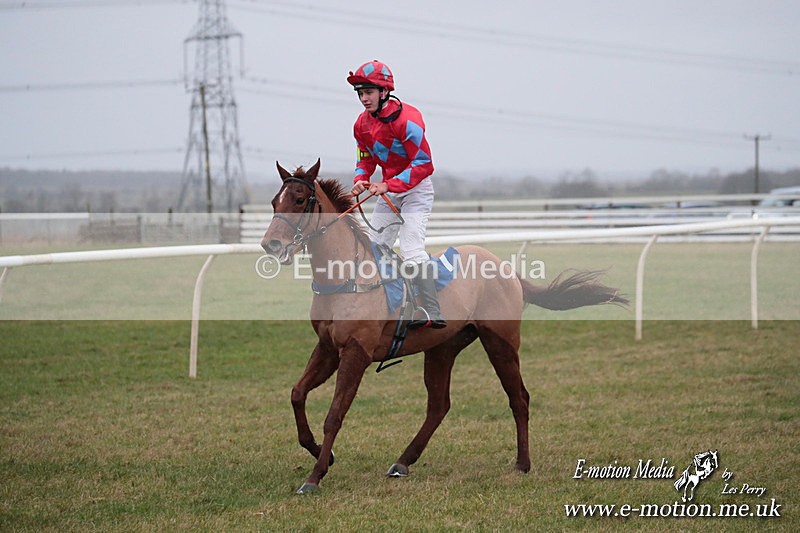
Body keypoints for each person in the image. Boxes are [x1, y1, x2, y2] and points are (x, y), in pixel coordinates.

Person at [347, 60, 446, 329]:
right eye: (360, 93)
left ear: (383, 91)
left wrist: (388, 185)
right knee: (374, 246)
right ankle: (389, 302)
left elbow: (424, 164)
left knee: (412, 247)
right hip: (389, 191)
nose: (363, 99)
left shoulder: (408, 120)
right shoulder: (361, 124)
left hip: (417, 190)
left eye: (368, 92)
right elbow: (364, 158)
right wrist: (361, 179)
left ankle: (431, 310)